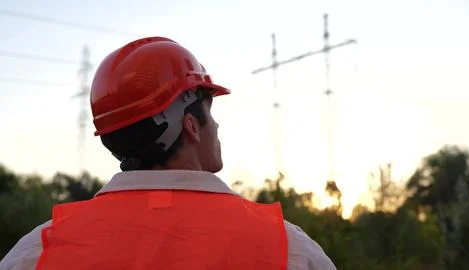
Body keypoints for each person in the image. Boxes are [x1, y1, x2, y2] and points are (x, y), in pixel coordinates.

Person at [0, 37, 337, 270]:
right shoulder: (286, 248)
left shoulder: (39, 251)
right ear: (191, 125)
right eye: (211, 112)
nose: (216, 127)